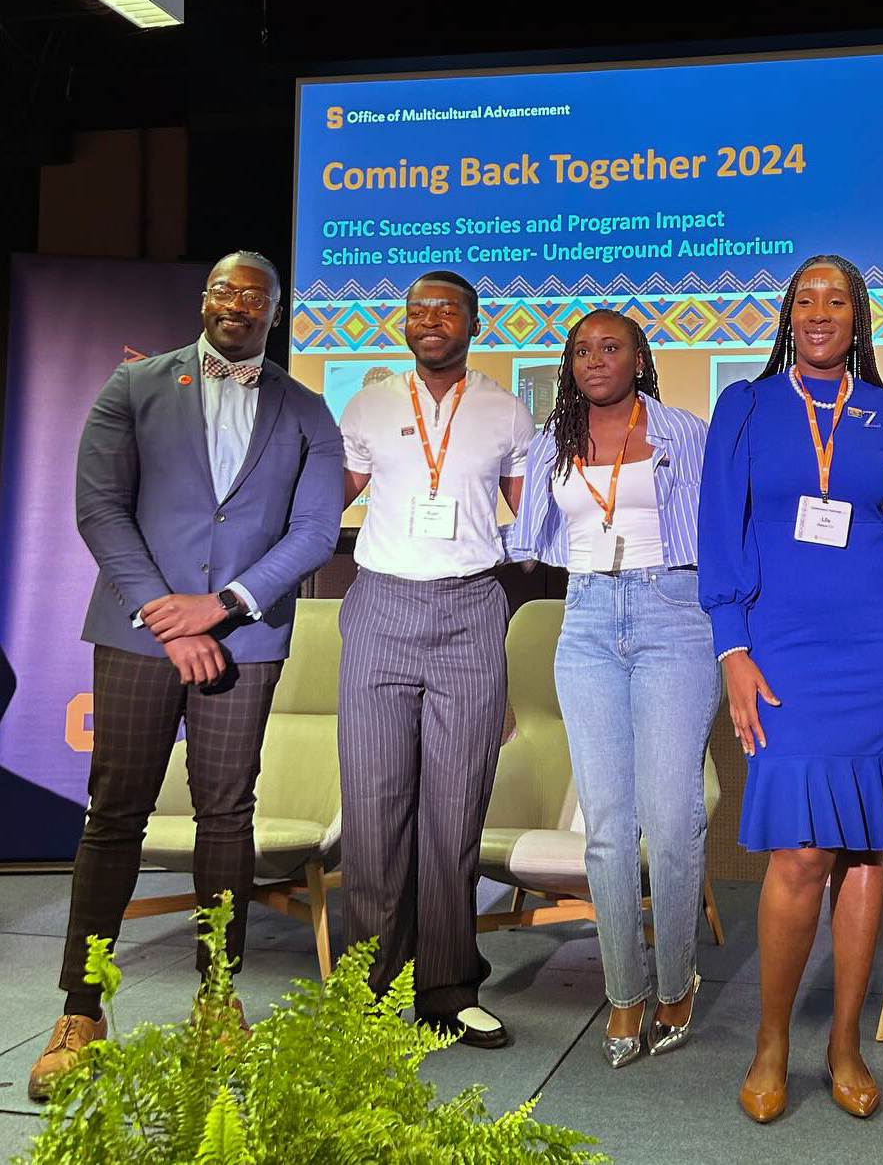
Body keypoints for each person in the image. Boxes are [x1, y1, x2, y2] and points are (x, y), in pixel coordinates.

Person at [30, 251, 343, 1100]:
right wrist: (168, 616)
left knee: (225, 814)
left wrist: (224, 607)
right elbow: (99, 506)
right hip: (139, 635)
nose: (238, 304)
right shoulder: (131, 388)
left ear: (275, 312)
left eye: (256, 295)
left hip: (243, 640)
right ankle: (80, 1008)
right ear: (204, 300)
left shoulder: (308, 409)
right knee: (116, 810)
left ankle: (217, 998)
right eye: (224, 290)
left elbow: (316, 530)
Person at [699, 255, 883, 1123]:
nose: (821, 312)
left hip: (879, 648)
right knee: (799, 850)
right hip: (783, 650)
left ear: (858, 317)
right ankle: (772, 1041)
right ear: (787, 316)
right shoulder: (746, 407)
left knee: (863, 851)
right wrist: (732, 649)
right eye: (806, 300)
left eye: (837, 300)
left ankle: (845, 1046)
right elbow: (719, 533)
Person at [509, 308, 719, 1069]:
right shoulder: (548, 446)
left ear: (639, 358)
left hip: (674, 616)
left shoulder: (686, 432)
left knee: (671, 821)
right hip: (588, 619)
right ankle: (625, 994)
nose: (595, 359)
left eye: (611, 347)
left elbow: (724, 524)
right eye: (581, 350)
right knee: (605, 829)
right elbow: (527, 539)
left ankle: (677, 982)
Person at [338, 269, 534, 1048]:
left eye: (446, 310)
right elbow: (329, 497)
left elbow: (538, 511)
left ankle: (448, 988)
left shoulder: (507, 410)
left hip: (469, 609)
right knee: (373, 806)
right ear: (403, 326)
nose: (430, 321)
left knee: (455, 810)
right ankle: (370, 989)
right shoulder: (370, 403)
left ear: (474, 324)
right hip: (381, 604)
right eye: (418, 311)